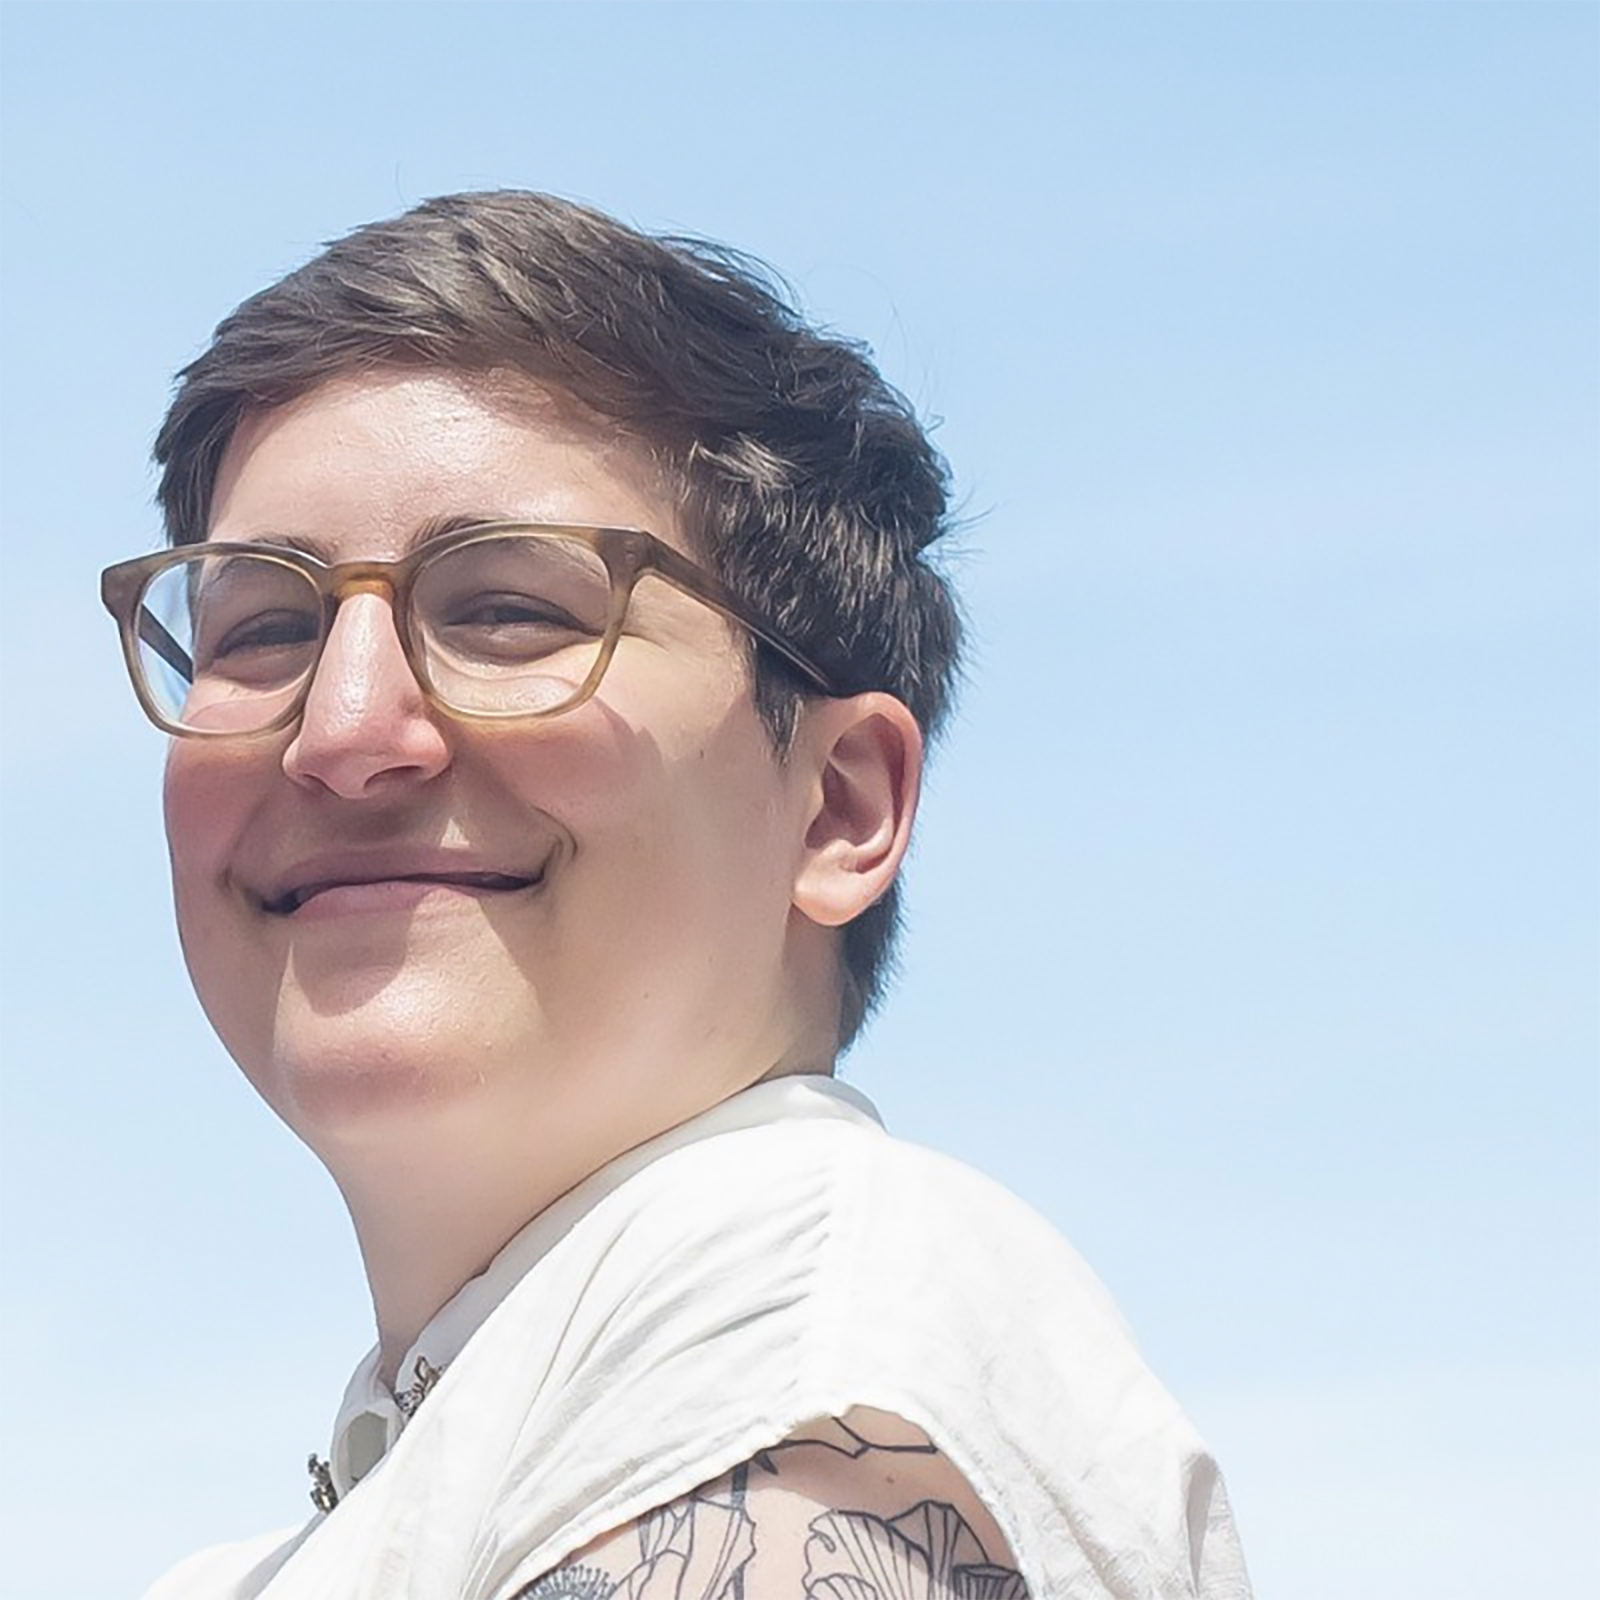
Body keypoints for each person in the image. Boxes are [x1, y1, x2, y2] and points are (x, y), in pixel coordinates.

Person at [103, 191, 1251, 1600]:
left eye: (509, 609)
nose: (342, 727)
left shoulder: (801, 1363)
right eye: (264, 626)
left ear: (839, 806)